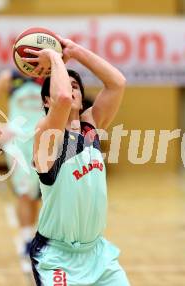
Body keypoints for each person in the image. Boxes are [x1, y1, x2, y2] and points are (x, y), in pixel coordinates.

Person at [24, 36, 130, 285]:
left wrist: (75, 51)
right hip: (57, 256)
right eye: (66, 85)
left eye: (76, 86)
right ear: (45, 101)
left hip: (97, 254)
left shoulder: (91, 125)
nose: (70, 90)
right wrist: (52, 57)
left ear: (82, 98)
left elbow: (118, 83)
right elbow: (61, 98)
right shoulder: (46, 132)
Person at [0, 69, 45, 272]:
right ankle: (27, 241)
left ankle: (33, 235)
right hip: (17, 141)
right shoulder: (9, 78)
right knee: (24, 192)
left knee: (37, 195)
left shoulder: (49, 78)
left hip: (43, 139)